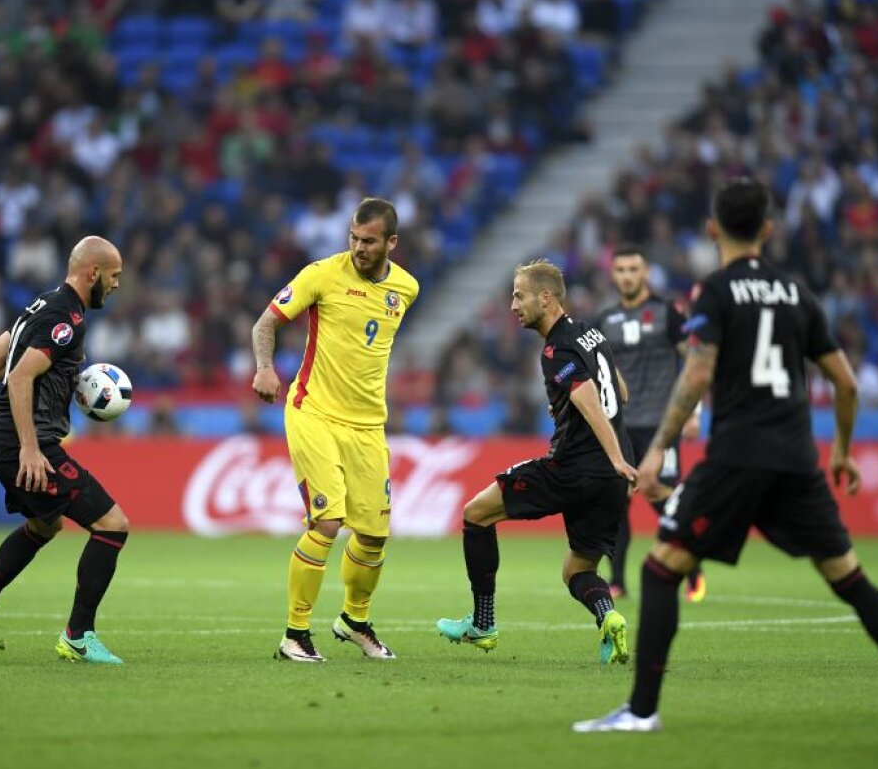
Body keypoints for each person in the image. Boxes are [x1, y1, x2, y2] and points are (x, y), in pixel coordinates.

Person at [574, 178, 878, 732]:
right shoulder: (798, 293)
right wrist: (841, 452)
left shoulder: (715, 292)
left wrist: (654, 452)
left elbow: (697, 371)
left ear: (712, 228)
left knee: (660, 571)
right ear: (768, 231)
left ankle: (642, 712)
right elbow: (845, 383)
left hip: (738, 458)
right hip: (798, 457)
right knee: (850, 577)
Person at [436, 260, 639, 665]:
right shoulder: (591, 333)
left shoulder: (555, 348)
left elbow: (587, 397)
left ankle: (483, 622)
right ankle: (609, 616)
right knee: (577, 573)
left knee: (476, 514)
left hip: (576, 468)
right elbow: (621, 392)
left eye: (519, 295)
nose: (513, 305)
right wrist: (570, 413)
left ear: (545, 298)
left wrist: (612, 453)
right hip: (611, 480)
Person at [251, 197, 420, 662]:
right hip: (313, 412)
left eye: (368, 241)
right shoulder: (321, 274)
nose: (358, 248)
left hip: (368, 426)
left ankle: (354, 620)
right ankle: (295, 634)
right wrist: (265, 367)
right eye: (353, 238)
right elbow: (266, 323)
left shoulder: (406, 288)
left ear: (391, 242)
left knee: (373, 535)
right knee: (327, 521)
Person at [0, 235, 131, 665]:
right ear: (94, 273)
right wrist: (31, 448)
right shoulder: (66, 317)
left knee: (45, 527)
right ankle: (78, 635)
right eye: (115, 276)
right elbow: (16, 378)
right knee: (113, 524)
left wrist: (50, 384)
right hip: (23, 444)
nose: (118, 285)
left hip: (0, 439)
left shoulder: (39, 306)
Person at [596, 246, 705, 602]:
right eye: (621, 270)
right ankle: (617, 581)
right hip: (620, 427)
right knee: (616, 503)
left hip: (662, 426)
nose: (627, 275)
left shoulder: (668, 313)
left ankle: (692, 569)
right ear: (613, 275)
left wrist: (694, 412)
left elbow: (694, 362)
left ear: (645, 273)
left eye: (633, 269)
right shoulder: (604, 320)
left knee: (665, 502)